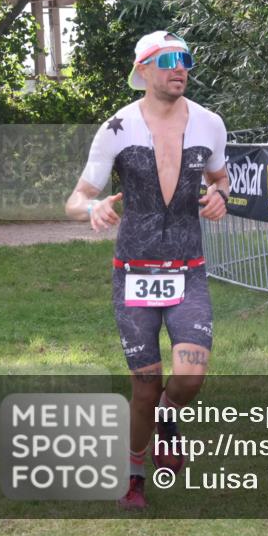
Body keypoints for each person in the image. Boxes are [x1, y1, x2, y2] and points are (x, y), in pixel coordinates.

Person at [65, 31, 229, 510]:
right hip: (133, 271)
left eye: (187, 59)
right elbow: (76, 199)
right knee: (144, 383)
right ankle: (134, 476)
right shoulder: (117, 127)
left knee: (191, 376)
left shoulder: (209, 123)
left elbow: (221, 176)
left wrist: (220, 195)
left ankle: (167, 419)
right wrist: (92, 208)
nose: (181, 68)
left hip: (188, 269)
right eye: (170, 60)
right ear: (144, 70)